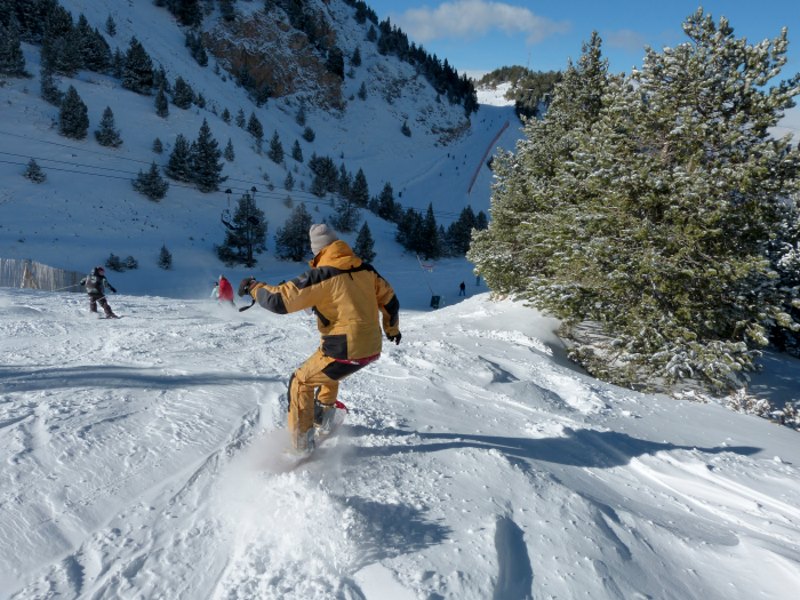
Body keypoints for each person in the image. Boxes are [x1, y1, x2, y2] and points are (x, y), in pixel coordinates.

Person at [238, 223, 401, 453]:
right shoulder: (366, 270)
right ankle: (324, 414)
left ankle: (300, 445)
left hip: (345, 348)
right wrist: (392, 329)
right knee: (325, 368)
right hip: (371, 347)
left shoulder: (322, 275)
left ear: (318, 251)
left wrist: (254, 287)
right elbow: (391, 300)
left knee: (301, 382)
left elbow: (279, 301)